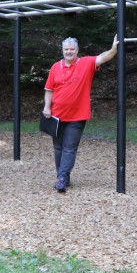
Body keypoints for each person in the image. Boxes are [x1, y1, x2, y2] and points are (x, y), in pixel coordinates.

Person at [42, 35, 118, 192]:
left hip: (77, 116)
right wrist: (47, 107)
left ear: (77, 50)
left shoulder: (85, 63)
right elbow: (49, 90)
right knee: (58, 147)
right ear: (62, 50)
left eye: (72, 49)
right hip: (56, 116)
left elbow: (103, 57)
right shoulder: (56, 67)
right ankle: (63, 176)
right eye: (66, 49)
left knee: (69, 147)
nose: (69, 51)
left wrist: (113, 48)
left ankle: (62, 178)